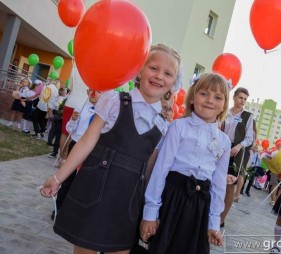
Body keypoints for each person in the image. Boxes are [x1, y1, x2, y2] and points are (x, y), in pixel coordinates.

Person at [40, 44, 182, 254]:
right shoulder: (114, 101)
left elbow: (150, 166)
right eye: (153, 68)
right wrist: (58, 177)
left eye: (168, 73)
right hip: (95, 188)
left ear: (173, 83)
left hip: (128, 201)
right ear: (139, 70)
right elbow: (86, 142)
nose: (159, 76)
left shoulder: (164, 124)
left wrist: (147, 209)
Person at [140, 73, 230, 254]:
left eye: (218, 97)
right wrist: (150, 213)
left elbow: (219, 184)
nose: (210, 100)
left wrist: (213, 223)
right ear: (192, 98)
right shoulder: (178, 127)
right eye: (204, 93)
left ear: (223, 106)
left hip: (199, 207)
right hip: (172, 200)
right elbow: (161, 170)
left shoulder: (224, 141)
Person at [50, 89, 104, 220]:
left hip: (92, 149)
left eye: (98, 91)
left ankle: (74, 210)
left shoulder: (105, 113)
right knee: (68, 178)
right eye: (91, 90)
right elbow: (70, 129)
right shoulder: (82, 107)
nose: (93, 93)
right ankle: (59, 207)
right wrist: (73, 120)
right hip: (76, 145)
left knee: (82, 181)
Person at [220, 87, 253, 225]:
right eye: (240, 98)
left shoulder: (247, 116)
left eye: (245, 99)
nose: (242, 101)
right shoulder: (224, 112)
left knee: (229, 186)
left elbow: (250, 138)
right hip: (220, 149)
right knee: (214, 182)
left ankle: (222, 219)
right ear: (234, 97)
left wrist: (239, 146)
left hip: (235, 153)